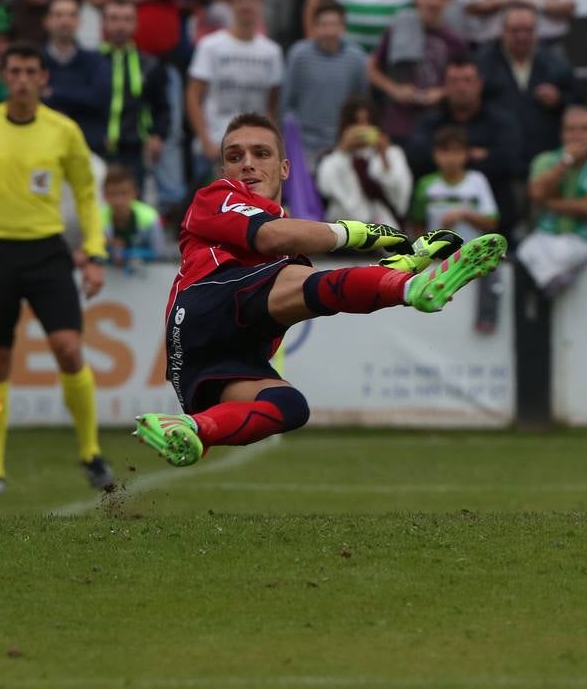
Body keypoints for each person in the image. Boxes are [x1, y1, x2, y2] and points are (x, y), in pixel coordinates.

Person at [131, 111, 499, 467]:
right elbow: (269, 237)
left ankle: (190, 428)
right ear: (223, 170)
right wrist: (358, 233)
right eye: (234, 156)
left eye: (261, 154)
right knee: (302, 277)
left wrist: (407, 261)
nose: (247, 164)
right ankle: (415, 289)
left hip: (212, 357)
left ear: (285, 168)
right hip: (204, 305)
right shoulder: (216, 197)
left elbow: (330, 287)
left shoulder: (291, 240)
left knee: (288, 405)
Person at [0, 45, 114, 495]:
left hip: (46, 251)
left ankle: (91, 453)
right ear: (4, 77)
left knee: (68, 348)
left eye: (29, 71)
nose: (21, 79)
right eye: (14, 71)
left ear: (43, 79)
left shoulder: (64, 131)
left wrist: (94, 254)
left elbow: (85, 196)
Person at [516, 106, 587, 296]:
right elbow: (536, 194)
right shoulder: (546, 161)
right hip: (548, 233)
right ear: (562, 133)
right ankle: (552, 281)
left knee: (560, 252)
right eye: (571, 129)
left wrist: (550, 204)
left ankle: (548, 281)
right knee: (524, 250)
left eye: (584, 129)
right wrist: (564, 163)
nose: (577, 135)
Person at [407, 59, 522, 228]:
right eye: (454, 81)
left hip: (493, 226)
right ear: (444, 86)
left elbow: (509, 160)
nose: (461, 88)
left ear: (479, 84)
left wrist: (453, 157)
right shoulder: (430, 120)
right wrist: (477, 155)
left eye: (468, 80)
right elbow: (416, 156)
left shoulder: (500, 120)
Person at [409, 125, 502, 331]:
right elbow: (417, 222)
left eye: (456, 152)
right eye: (445, 152)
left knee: (495, 271)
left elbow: (492, 222)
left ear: (465, 155)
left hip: (473, 256)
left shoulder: (477, 181)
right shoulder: (426, 184)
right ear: (436, 155)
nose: (450, 158)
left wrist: (465, 214)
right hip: (437, 258)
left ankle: (486, 322)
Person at [187, 0, 283, 174]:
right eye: (240, 0)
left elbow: (272, 105)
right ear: (231, 6)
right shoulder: (210, 46)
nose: (246, 6)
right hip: (216, 145)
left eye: (251, 0)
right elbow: (193, 96)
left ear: (260, 5)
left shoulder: (272, 52)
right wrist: (206, 141)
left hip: (256, 149)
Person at [367, 0, 469, 141]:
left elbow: (467, 79)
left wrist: (442, 93)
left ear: (449, 0)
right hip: (398, 124)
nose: (434, 1)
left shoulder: (455, 40)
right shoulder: (398, 28)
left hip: (439, 127)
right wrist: (395, 90)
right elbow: (371, 69)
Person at [476, 1, 577, 170]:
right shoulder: (483, 63)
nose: (522, 36)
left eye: (528, 30)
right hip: (497, 161)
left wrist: (559, 100)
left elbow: (577, 103)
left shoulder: (557, 63)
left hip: (543, 160)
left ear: (537, 32)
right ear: (503, 31)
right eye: (515, 30)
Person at [93, 0, 171, 185]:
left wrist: (157, 135)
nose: (120, 25)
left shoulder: (150, 65)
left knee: (133, 203)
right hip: (95, 148)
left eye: (127, 19)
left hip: (133, 148)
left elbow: (161, 106)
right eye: (114, 19)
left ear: (135, 24)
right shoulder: (90, 62)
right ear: (104, 23)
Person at [282, 2, 368, 165]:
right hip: (303, 144)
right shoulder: (298, 55)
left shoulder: (357, 59)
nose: (329, 31)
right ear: (314, 28)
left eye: (334, 25)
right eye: (323, 25)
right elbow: (286, 102)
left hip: (342, 143)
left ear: (343, 28)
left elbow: (361, 103)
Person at [316, 96, 412, 228]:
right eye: (356, 122)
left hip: (381, 229)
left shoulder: (392, 153)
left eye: (368, 122)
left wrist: (384, 156)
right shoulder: (332, 158)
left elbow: (400, 195)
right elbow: (326, 188)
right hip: (344, 229)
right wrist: (343, 150)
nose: (363, 127)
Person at [42, 0, 109, 151]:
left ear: (79, 21)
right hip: (44, 145)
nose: (65, 21)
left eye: (72, 15)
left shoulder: (96, 60)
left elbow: (98, 98)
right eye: (58, 15)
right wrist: (79, 94)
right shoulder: (35, 61)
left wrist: (53, 92)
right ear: (47, 21)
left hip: (87, 145)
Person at [100, 164, 164, 267]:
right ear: (105, 195)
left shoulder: (150, 217)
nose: (118, 201)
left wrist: (128, 253)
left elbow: (159, 253)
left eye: (124, 193)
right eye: (112, 194)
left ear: (135, 193)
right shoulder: (97, 219)